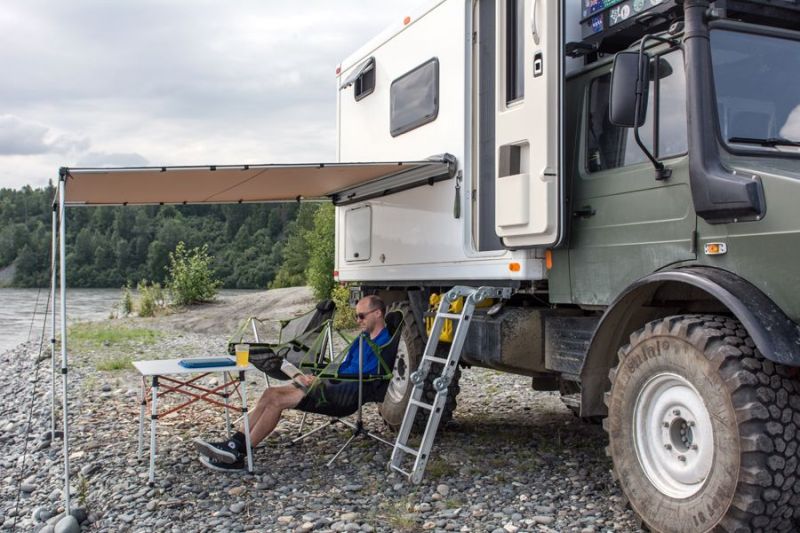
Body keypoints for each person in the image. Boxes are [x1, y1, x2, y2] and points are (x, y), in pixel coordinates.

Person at [193, 295, 390, 471]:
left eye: (361, 316)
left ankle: (240, 454)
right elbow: (345, 365)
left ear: (378, 313)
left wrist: (322, 380)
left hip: (345, 393)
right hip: (333, 384)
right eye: (357, 316)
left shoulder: (382, 342)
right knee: (270, 393)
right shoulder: (362, 338)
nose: (358, 321)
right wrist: (319, 375)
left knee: (278, 401)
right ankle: (234, 443)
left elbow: (362, 374)